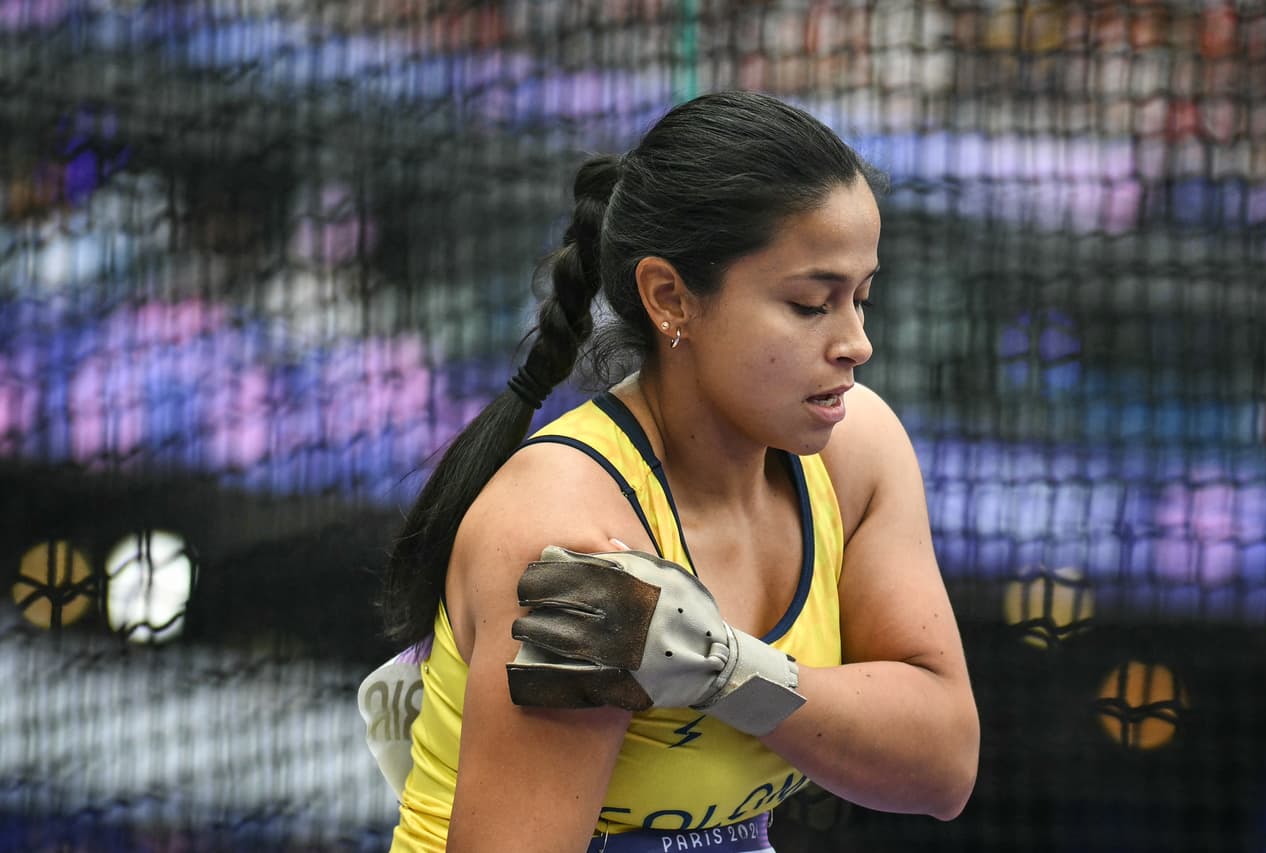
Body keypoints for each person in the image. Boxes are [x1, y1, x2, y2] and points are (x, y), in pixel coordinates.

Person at [374, 90, 980, 852]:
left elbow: (944, 765)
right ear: (670, 299)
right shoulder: (567, 533)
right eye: (810, 304)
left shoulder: (856, 451)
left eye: (861, 297)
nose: (856, 342)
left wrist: (725, 671)